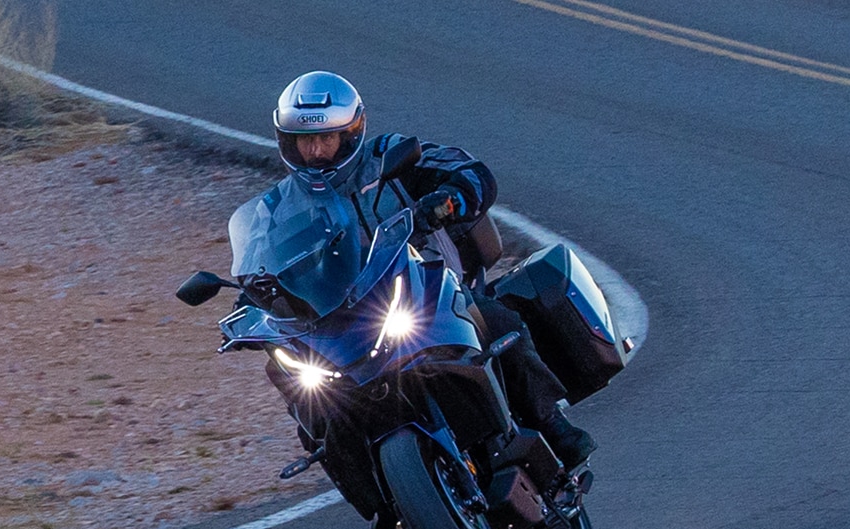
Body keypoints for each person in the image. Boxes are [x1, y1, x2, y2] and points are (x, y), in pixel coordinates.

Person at [235, 70, 595, 473]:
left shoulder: (388, 157)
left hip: (426, 288)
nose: (316, 152)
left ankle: (551, 423)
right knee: (293, 374)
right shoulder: (275, 209)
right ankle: (352, 469)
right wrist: (248, 302)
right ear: (288, 142)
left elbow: (473, 172)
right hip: (337, 322)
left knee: (496, 321)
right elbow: (256, 267)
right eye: (305, 141)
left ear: (351, 134)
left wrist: (450, 199)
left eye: (327, 139)